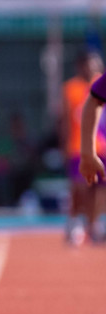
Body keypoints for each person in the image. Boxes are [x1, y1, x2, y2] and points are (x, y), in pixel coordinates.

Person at [60, 51, 105, 245]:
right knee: (79, 188)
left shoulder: (100, 83)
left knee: (99, 190)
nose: (91, 68)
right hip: (77, 147)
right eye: (87, 64)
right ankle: (74, 222)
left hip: (102, 146)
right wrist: (64, 145)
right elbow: (65, 121)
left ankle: (93, 225)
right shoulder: (71, 89)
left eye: (94, 64)